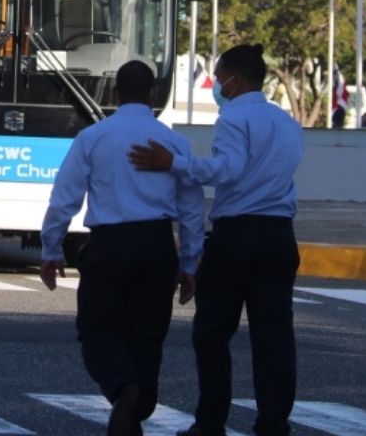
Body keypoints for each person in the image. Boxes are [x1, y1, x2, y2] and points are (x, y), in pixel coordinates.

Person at [128, 44, 304, 436]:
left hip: (238, 236)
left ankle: (210, 423)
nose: (215, 86)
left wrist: (174, 164)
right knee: (274, 336)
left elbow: (227, 170)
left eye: (218, 78)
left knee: (212, 333)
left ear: (236, 81)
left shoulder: (233, 119)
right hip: (279, 236)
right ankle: (273, 422)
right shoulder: (286, 122)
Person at [40, 60, 206, 436]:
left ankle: (122, 388)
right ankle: (137, 407)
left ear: (115, 94)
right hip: (156, 244)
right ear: (153, 94)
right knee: (147, 333)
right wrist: (190, 263)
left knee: (97, 328)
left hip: (109, 244)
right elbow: (192, 209)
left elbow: (64, 198)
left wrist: (51, 249)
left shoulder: (94, 137)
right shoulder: (175, 144)